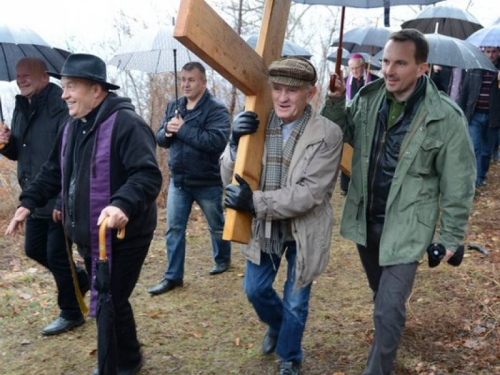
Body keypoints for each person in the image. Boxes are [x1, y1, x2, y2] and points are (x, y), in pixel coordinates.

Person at [321, 29, 476, 375]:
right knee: (382, 295)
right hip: (366, 220)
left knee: (387, 307)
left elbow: (459, 184)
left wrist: (451, 237)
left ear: (422, 68)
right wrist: (334, 100)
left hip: (408, 227)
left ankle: (379, 367)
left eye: (400, 63)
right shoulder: (368, 97)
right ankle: (389, 328)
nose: (389, 70)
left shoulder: (446, 118)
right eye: (386, 61)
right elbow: (340, 131)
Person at [5, 53, 162, 375]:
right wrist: (28, 203)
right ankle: (128, 359)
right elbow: (53, 171)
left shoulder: (127, 124)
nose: (64, 94)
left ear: (96, 89)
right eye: (63, 86)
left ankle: (115, 365)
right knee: (111, 300)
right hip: (89, 233)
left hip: (125, 233)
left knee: (110, 299)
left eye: (71, 86)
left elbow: (147, 176)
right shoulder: (73, 126)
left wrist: (120, 204)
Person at [221, 57, 343, 375]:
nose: (283, 97)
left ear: (311, 92)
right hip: (266, 229)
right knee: (255, 290)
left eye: (293, 90)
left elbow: (310, 193)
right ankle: (278, 326)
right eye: (277, 89)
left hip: (305, 231)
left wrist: (254, 202)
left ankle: (289, 356)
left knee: (296, 301)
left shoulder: (328, 134)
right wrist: (234, 144)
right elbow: (229, 178)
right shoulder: (258, 121)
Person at [0, 57, 89, 336]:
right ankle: (82, 279)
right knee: (33, 249)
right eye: (18, 76)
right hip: (34, 194)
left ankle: (71, 312)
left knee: (57, 254)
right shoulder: (20, 106)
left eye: (27, 75)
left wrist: (64, 198)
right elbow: (20, 152)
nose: (21, 80)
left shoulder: (60, 105)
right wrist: (5, 143)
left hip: (57, 193)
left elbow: (70, 154)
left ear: (44, 77)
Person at [148, 62, 231, 296]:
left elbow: (215, 142)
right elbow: (160, 139)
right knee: (174, 229)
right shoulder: (175, 106)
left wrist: (183, 129)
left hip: (207, 181)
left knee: (216, 226)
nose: (185, 84)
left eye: (191, 80)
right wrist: (167, 131)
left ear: (203, 82)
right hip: (179, 181)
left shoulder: (216, 109)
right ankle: (173, 277)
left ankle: (223, 259)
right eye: (182, 79)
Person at [457, 46, 500, 187]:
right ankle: (473, 178)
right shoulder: (475, 68)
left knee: (486, 150)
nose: (491, 55)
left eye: (494, 52)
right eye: (488, 51)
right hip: (474, 115)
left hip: (493, 116)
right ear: (483, 52)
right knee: (475, 147)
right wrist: (460, 111)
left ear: (498, 52)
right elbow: (465, 91)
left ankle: (481, 175)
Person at [339, 54, 379, 195]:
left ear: (364, 66)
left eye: (357, 68)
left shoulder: (375, 81)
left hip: (369, 123)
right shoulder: (344, 82)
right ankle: (345, 186)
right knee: (348, 152)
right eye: (352, 68)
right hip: (350, 124)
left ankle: (364, 185)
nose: (355, 71)